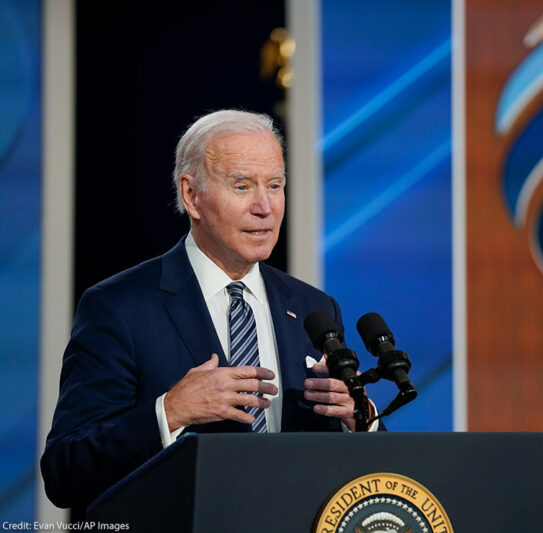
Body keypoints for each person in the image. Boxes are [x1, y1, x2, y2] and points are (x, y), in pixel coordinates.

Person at [40, 110, 379, 511]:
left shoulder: (312, 308)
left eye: (275, 185)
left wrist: (361, 420)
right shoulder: (120, 307)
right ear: (191, 195)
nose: (265, 207)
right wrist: (170, 412)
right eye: (242, 186)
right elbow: (65, 472)